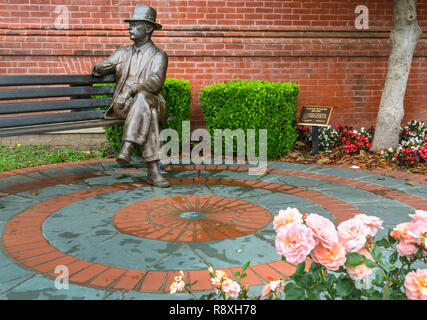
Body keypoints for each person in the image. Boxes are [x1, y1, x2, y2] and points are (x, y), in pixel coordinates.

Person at [92, 4, 170, 188]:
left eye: (135, 24)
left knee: (144, 101)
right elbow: (101, 67)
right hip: (124, 107)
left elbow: (156, 81)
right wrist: (100, 67)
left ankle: (127, 147)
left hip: (150, 101)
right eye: (130, 24)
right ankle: (152, 172)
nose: (130, 27)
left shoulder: (159, 56)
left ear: (148, 28)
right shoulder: (122, 53)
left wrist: (132, 89)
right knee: (147, 111)